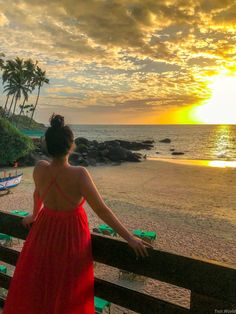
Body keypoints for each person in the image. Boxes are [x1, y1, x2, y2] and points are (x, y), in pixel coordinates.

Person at [3, 114, 153, 314]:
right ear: (71, 145)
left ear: (47, 145)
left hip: (44, 232)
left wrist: (34, 215)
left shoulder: (39, 169)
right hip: (70, 236)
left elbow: (38, 193)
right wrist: (129, 237)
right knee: (67, 291)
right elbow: (101, 209)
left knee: (42, 286)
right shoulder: (79, 174)